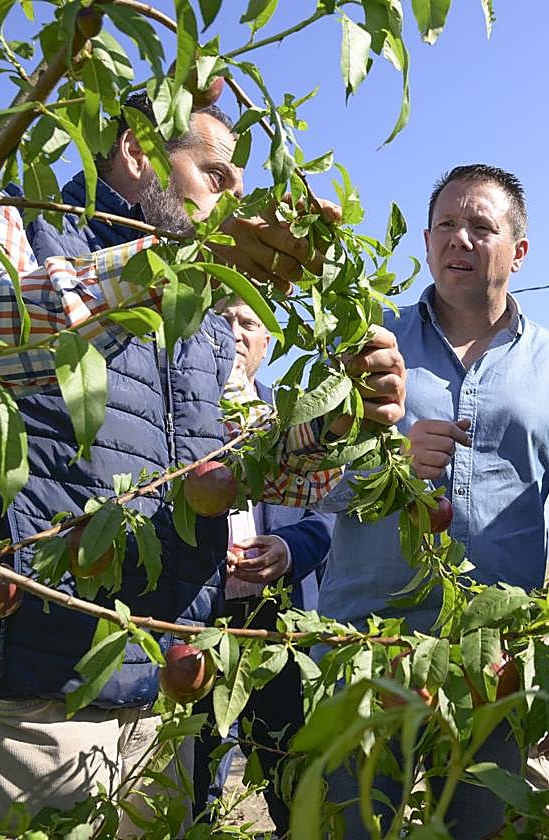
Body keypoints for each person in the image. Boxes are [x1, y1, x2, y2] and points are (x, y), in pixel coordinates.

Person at [0, 90, 406, 829]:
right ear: (136, 151)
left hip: (152, 699)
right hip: (14, 689)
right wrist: (157, 267)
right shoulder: (10, 219)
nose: (229, 208)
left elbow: (246, 467)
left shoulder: (199, 321)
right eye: (216, 177)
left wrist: (339, 413)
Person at [315, 164, 549, 838]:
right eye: (447, 225)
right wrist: (385, 462)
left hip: (496, 658)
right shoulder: (371, 342)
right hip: (371, 648)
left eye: (482, 226)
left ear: (519, 249)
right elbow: (306, 473)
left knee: (484, 826)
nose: (461, 238)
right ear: (425, 242)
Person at [191, 298, 336, 829]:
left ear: (267, 343)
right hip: (198, 618)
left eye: (248, 323)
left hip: (279, 624)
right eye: (222, 318)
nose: (235, 332)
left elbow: (327, 516)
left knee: (293, 781)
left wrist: (289, 548)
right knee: (195, 776)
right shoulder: (183, 408)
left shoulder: (293, 422)